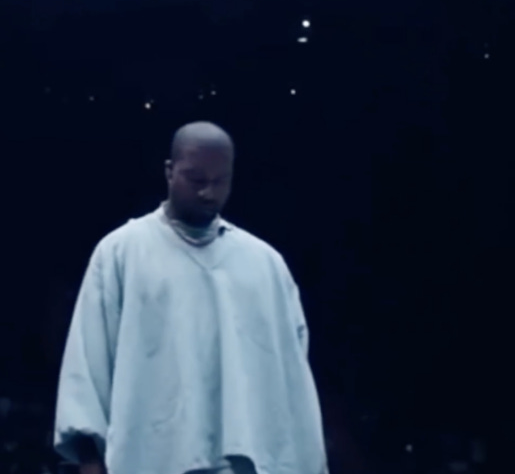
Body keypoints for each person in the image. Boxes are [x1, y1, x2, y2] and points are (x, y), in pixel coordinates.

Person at [53, 121, 328, 474]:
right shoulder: (122, 251)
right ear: (170, 172)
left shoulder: (266, 265)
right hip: (151, 459)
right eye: (196, 179)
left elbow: (294, 378)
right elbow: (89, 361)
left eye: (220, 181)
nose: (208, 193)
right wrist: (90, 459)